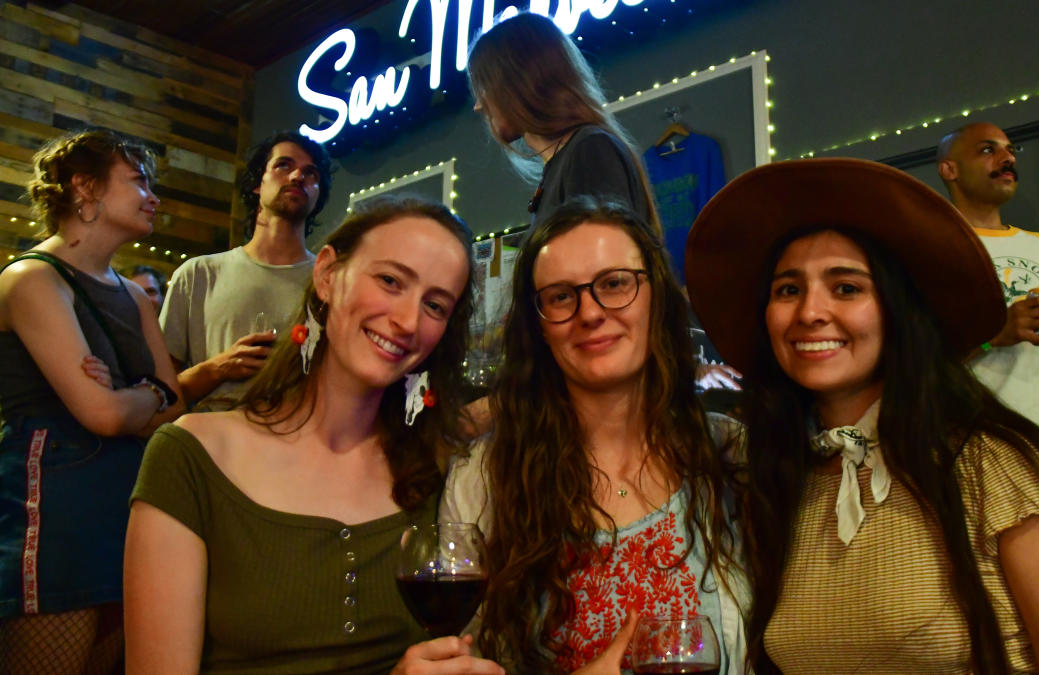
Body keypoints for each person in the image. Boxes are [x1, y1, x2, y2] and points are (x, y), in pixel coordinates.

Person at [685, 160, 1039, 673]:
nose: (809, 311)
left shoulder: (997, 468)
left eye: (847, 287)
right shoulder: (777, 479)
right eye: (788, 289)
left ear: (897, 309)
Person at [124, 197, 504, 674]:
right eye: (390, 281)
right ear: (327, 275)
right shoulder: (192, 455)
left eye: (434, 305)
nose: (408, 321)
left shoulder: (436, 465)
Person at [442, 198, 746, 673]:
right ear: (538, 326)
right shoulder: (483, 479)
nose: (590, 312)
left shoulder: (730, 455)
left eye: (614, 284)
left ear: (656, 296)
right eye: (561, 296)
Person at [0, 128, 183, 673]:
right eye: (137, 180)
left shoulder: (133, 295)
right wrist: (148, 393)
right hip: (55, 503)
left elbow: (175, 411)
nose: (152, 195)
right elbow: (104, 414)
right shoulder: (33, 278)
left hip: (126, 500)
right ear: (85, 187)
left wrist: (137, 395)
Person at [936, 122, 1039, 497]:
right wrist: (992, 336)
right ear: (950, 169)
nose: (1007, 158)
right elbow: (913, 363)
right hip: (971, 462)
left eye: (1010, 150)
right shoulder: (929, 252)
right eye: (987, 150)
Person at [159, 130, 334, 411]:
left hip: (298, 446)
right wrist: (217, 369)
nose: (297, 176)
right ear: (257, 184)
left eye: (310, 173)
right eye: (284, 165)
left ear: (319, 195)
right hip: (210, 444)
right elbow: (159, 394)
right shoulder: (198, 275)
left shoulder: (332, 285)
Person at [467, 12, 659, 232]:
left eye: (484, 86)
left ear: (519, 83)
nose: (479, 105)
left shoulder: (590, 151)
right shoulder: (574, 157)